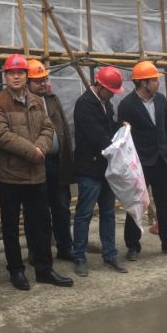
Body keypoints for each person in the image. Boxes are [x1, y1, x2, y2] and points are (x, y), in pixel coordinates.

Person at [0, 54, 73, 290]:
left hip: (36, 174)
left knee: (41, 224)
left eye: (20, 73)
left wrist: (41, 148)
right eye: (11, 73)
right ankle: (16, 271)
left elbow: (48, 127)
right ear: (5, 76)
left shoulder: (36, 100)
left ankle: (45, 269)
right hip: (9, 176)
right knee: (11, 226)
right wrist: (32, 151)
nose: (16, 77)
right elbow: (1, 135)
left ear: (26, 76)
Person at [119, 61, 167, 261]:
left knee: (166, 203)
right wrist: (130, 163)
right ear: (143, 83)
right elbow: (124, 137)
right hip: (140, 163)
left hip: (163, 161)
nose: (158, 83)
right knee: (137, 204)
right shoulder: (127, 105)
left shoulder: (160, 100)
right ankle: (133, 246)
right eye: (154, 80)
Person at [71, 66, 127, 277]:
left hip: (105, 167)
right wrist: (117, 148)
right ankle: (79, 256)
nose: (113, 95)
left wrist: (121, 127)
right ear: (100, 86)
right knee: (84, 214)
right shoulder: (85, 105)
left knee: (108, 212)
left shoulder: (105, 103)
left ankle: (110, 254)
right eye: (111, 91)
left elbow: (108, 127)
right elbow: (97, 136)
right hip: (89, 168)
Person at [26, 59, 74, 261]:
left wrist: (68, 159)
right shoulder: (25, 103)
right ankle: (38, 251)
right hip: (36, 163)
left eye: (44, 79)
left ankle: (65, 248)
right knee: (38, 212)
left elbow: (64, 128)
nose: (42, 84)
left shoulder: (52, 100)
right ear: (27, 82)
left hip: (57, 162)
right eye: (38, 81)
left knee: (61, 207)